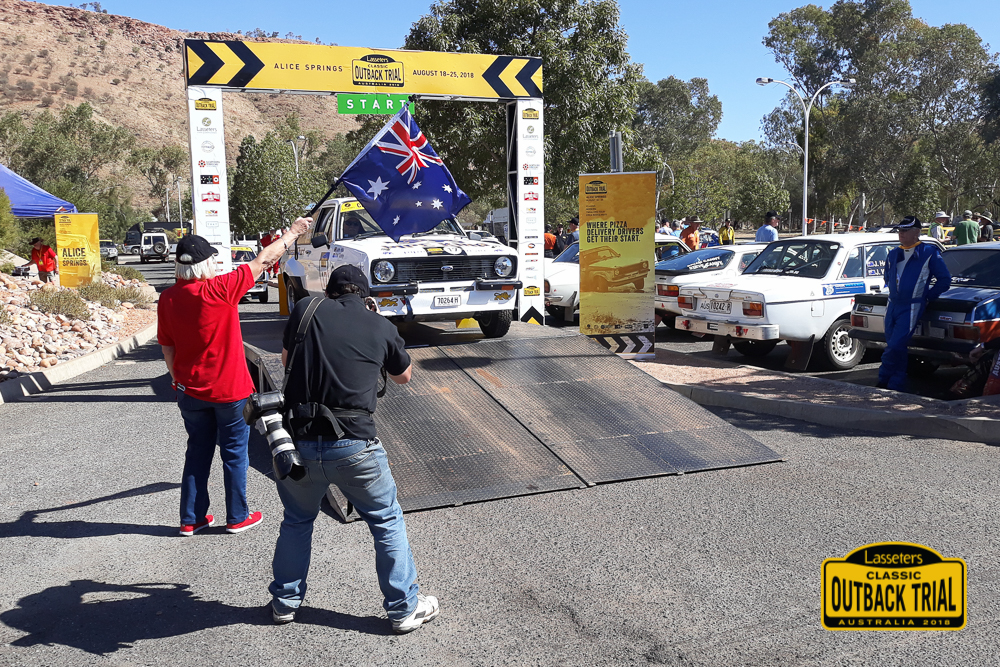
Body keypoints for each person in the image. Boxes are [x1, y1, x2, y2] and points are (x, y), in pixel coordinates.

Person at [269, 265, 439, 634]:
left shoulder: (305, 310)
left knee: (297, 521)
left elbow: (285, 361)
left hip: (298, 444)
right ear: (367, 296)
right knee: (385, 520)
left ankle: (284, 602)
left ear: (329, 292)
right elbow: (403, 376)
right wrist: (377, 327)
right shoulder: (380, 325)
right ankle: (403, 608)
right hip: (354, 445)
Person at [158, 217, 311, 537]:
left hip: (190, 392)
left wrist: (177, 380)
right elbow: (264, 259)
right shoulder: (220, 289)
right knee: (233, 453)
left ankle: (191, 519)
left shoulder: (168, 299)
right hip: (229, 391)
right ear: (203, 265)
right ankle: (237, 515)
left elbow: (168, 348)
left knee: (197, 453)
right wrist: (293, 233)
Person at [876, 215, 951, 391]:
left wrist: (927, 297)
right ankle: (896, 383)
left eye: (905, 231)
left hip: (911, 306)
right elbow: (887, 276)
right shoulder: (894, 253)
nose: (900, 234)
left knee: (894, 346)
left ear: (916, 232)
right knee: (896, 346)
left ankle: (883, 379)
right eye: (899, 231)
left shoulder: (929, 252)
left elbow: (944, 280)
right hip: (892, 304)